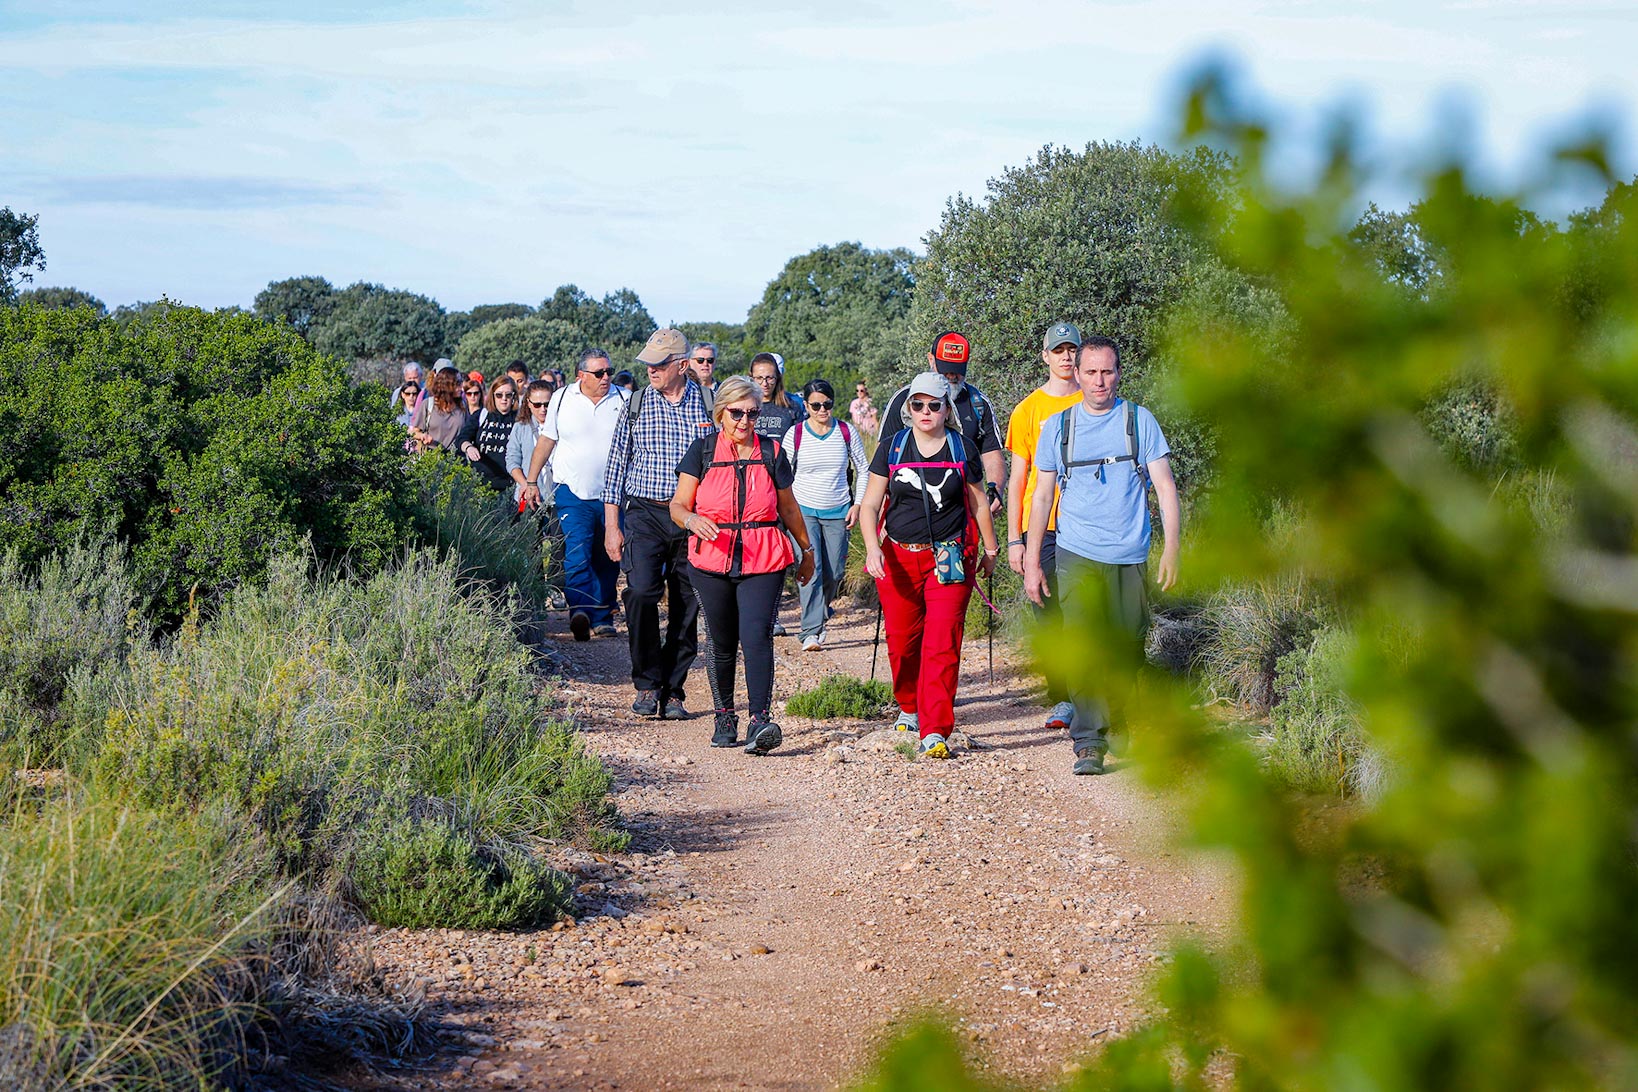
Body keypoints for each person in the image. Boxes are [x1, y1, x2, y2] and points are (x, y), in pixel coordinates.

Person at [1023, 335, 1181, 775]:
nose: (1099, 381)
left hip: (1130, 552)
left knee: (1128, 643)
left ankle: (1121, 717)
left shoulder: (1139, 421)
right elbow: (1041, 498)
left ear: (1118, 373)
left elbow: (1165, 487)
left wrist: (1172, 548)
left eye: (1107, 371)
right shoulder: (1060, 426)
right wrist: (1033, 560)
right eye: (1090, 372)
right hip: (1076, 552)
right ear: (1076, 374)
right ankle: (1089, 742)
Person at [859, 371, 999, 759]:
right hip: (898, 558)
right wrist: (873, 548)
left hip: (949, 559)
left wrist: (991, 549)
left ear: (946, 408)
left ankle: (935, 729)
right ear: (908, 408)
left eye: (933, 405)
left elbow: (978, 504)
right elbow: (871, 505)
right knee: (903, 643)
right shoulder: (892, 446)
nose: (925, 411)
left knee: (942, 644)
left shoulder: (962, 447)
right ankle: (909, 705)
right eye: (917, 404)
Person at [672, 376, 815, 753]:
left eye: (752, 413)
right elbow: (678, 504)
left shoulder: (771, 452)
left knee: (756, 636)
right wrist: (691, 520)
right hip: (711, 556)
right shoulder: (701, 450)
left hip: (763, 554)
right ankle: (724, 716)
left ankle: (759, 721)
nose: (744, 421)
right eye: (737, 413)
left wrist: (807, 551)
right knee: (720, 641)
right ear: (722, 413)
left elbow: (788, 507)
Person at [603, 328, 715, 719]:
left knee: (687, 605)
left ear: (682, 365)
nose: (650, 369)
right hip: (645, 512)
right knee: (639, 593)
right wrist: (611, 525)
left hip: (694, 517)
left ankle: (673, 690)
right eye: (648, 362)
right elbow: (616, 464)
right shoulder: (634, 404)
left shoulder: (708, 404)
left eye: (660, 363)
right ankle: (647, 684)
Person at [1005, 321, 1087, 733]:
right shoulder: (1027, 410)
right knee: (1047, 614)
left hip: (1087, 525)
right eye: (1059, 351)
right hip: (1044, 528)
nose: (1066, 357)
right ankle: (1062, 698)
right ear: (1046, 357)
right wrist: (1015, 539)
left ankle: (1090, 697)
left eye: (1072, 349)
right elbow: (1018, 478)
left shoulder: (1095, 402)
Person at [523, 348, 628, 641]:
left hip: (613, 494)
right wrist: (532, 480)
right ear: (581, 375)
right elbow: (547, 440)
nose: (606, 377)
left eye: (609, 371)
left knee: (608, 556)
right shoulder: (561, 398)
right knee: (576, 553)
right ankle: (581, 611)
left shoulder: (624, 399)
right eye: (599, 373)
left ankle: (603, 616)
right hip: (572, 491)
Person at [781, 378, 867, 651]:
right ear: (805, 406)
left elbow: (863, 469)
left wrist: (859, 504)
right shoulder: (795, 434)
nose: (822, 410)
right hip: (803, 510)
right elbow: (782, 474)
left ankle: (820, 610)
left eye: (827, 404)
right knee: (812, 568)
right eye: (816, 405)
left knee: (835, 572)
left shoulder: (846, 431)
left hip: (839, 509)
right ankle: (810, 632)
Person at [882, 332, 1005, 514]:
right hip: (906, 513)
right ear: (931, 360)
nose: (951, 375)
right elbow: (882, 458)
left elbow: (992, 454)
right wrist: (881, 512)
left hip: (961, 514)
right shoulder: (904, 401)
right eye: (946, 368)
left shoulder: (978, 403)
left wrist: (995, 489)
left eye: (957, 370)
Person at [454, 377, 518, 492]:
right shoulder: (482, 415)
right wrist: (468, 447)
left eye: (508, 395)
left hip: (509, 485)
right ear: (492, 396)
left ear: (514, 396)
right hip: (480, 484)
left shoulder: (519, 419)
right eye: (499, 395)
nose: (504, 399)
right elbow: (461, 438)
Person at [749, 352, 804, 443]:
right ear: (751, 378)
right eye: (759, 378)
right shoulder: (742, 408)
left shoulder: (792, 407)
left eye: (770, 378)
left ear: (777, 377)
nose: (765, 383)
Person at [410, 367, 468, 452]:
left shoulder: (463, 405)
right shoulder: (428, 405)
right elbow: (413, 432)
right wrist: (423, 436)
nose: (461, 387)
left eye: (461, 382)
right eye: (458, 383)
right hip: (432, 459)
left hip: (457, 460)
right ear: (447, 385)